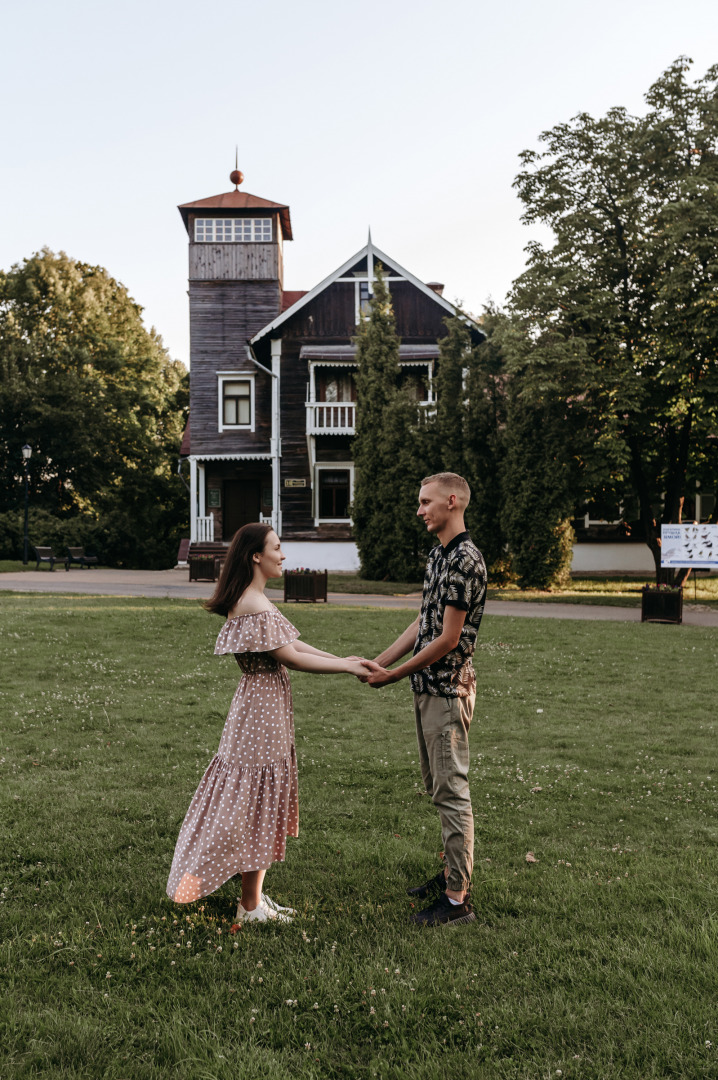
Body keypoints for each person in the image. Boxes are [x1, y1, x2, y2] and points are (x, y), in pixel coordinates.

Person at [166, 523, 367, 925]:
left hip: (260, 708)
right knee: (258, 800)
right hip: (261, 712)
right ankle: (250, 905)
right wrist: (345, 667)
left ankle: (253, 897)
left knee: (260, 798)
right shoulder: (252, 603)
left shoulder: (255, 599)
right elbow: (290, 657)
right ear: (256, 556)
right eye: (277, 547)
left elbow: (294, 644)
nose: (283, 554)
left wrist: (346, 658)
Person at [362, 473, 486, 927]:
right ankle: (453, 874)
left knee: (452, 792)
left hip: (447, 693)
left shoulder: (467, 561)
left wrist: (394, 675)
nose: (419, 510)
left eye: (425, 502)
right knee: (439, 787)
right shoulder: (439, 555)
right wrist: (379, 661)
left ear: (452, 502)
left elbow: (449, 638)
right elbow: (424, 622)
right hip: (425, 688)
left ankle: (457, 902)